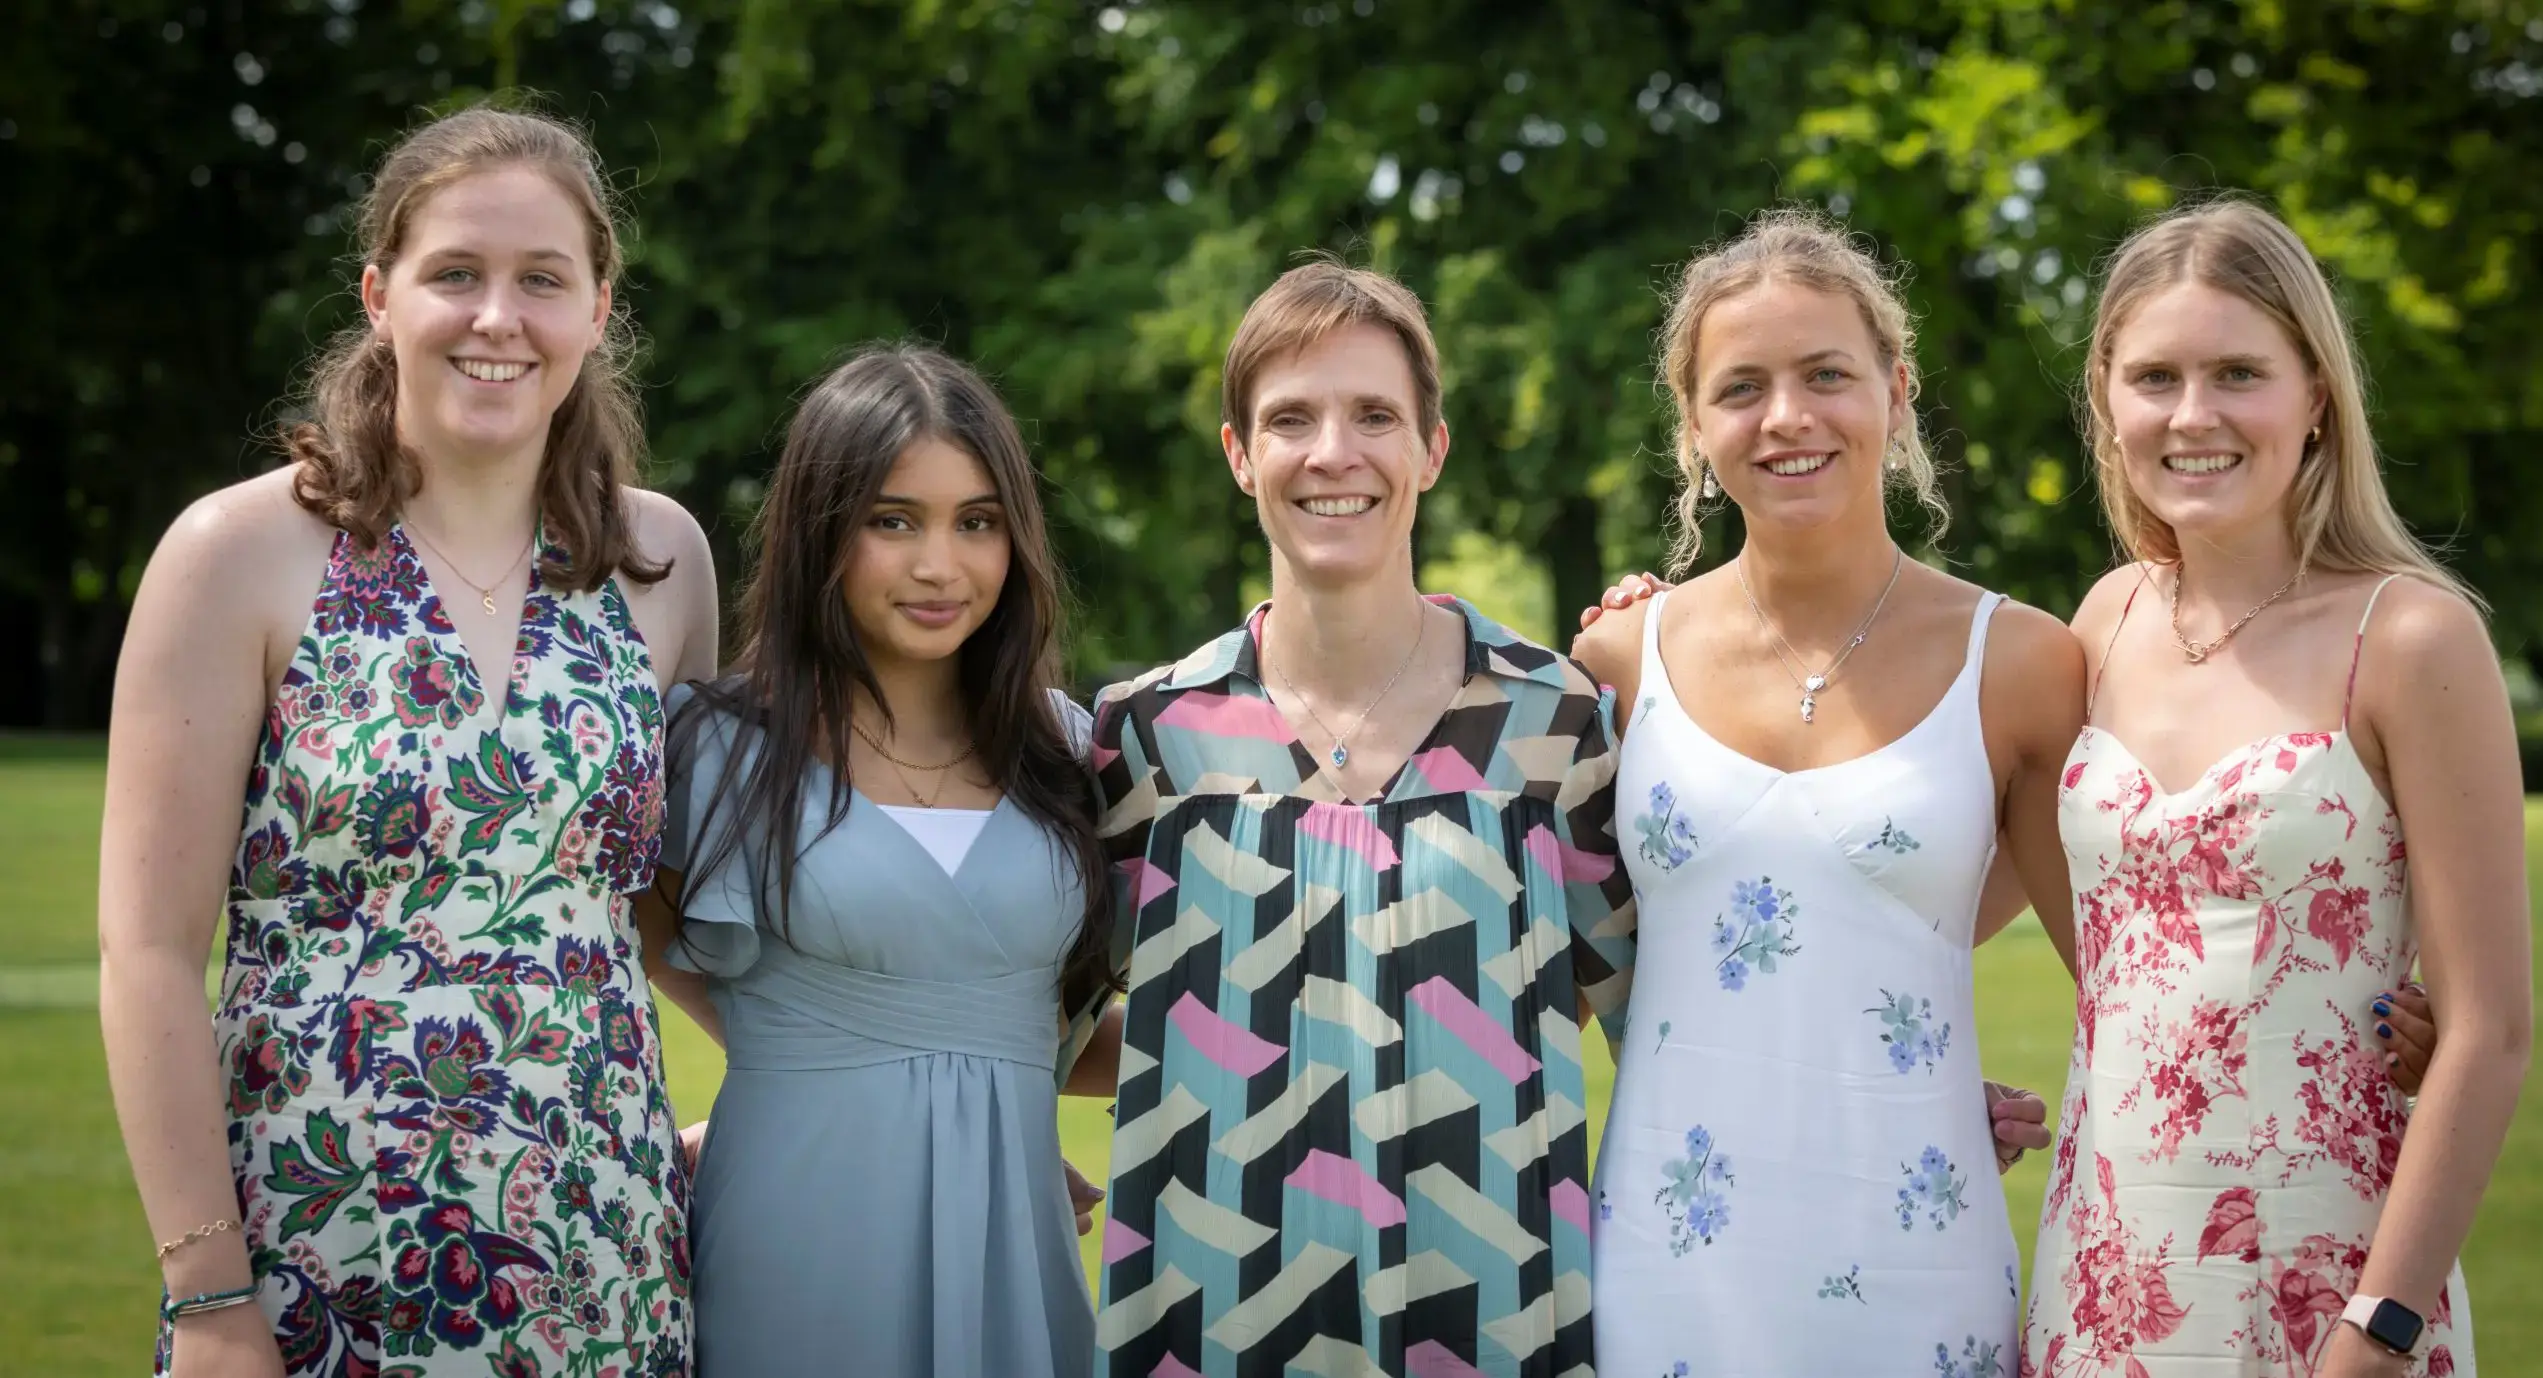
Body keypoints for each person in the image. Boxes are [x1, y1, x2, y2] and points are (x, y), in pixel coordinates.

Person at [98, 105, 718, 1377]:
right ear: (381, 296)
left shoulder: (661, 564)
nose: (499, 318)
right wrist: (208, 1299)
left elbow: (675, 921)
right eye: (456, 274)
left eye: (542, 279)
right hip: (318, 1269)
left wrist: (899, 1106)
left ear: (598, 308)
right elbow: (148, 951)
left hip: (605, 1260)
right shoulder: (239, 554)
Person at [1083, 261, 1638, 1376]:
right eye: (1291, 418)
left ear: (1432, 448)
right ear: (1241, 456)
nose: (1333, 451)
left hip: (1489, 1309)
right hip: (1216, 1312)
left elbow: (1652, 1017)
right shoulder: (1148, 737)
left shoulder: (1553, 722)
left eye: (1374, 414)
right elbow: (1023, 1016)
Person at [1570, 209, 2087, 1378]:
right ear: (1693, 427)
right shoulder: (1612, 666)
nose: (1786, 417)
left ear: (1896, 392)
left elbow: (2126, 974)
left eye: (1826, 375)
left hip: (1915, 1249)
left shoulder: (2020, 663)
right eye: (1740, 387)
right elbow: (1550, 968)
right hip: (1669, 1261)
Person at [2019, 200, 2529, 1378]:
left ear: (2314, 393)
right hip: (2100, 1271)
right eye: (2155, 376)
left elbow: (2490, 1029)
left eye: (2237, 372)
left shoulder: (2408, 635)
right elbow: (1899, 841)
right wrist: (1665, 630)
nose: (2192, 415)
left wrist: (2379, 1327)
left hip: (2328, 1279)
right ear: (2106, 395)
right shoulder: (2104, 620)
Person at [637, 345, 1124, 1378]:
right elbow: (635, 933)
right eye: (892, 520)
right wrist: (804, 1046)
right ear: (822, 531)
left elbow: (1068, 1017)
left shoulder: (1072, 752)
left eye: (976, 521)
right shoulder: (721, 747)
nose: (940, 565)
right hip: (795, 1211)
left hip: (1014, 1224)